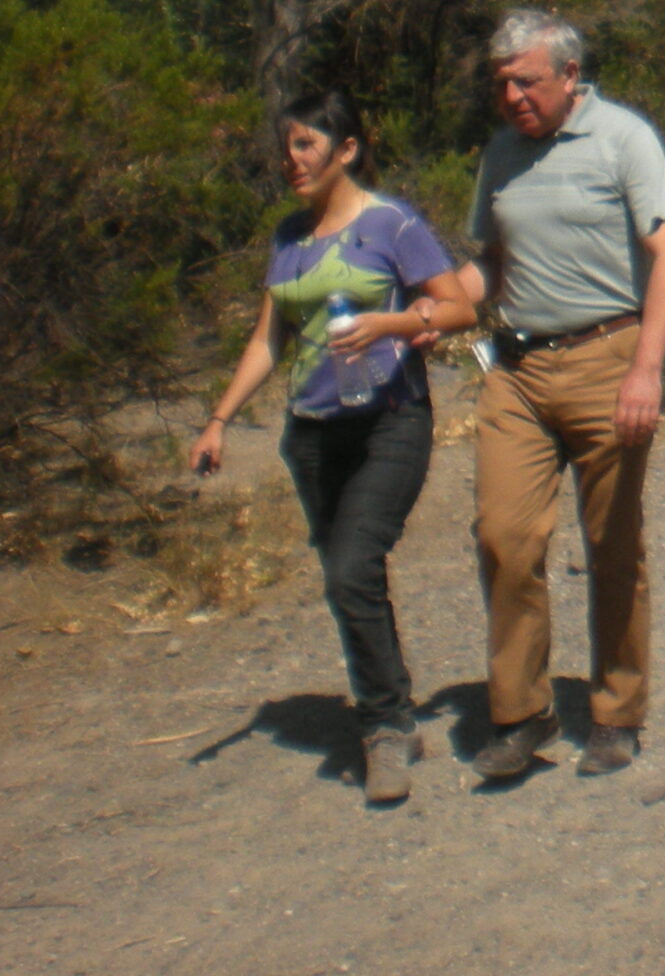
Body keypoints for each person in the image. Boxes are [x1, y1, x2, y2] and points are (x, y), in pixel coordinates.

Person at [190, 92, 477, 804]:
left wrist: (389, 324)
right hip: (313, 434)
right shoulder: (289, 237)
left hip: (390, 420)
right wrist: (219, 419)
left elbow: (460, 306)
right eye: (286, 148)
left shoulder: (391, 224)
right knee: (349, 579)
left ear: (347, 150)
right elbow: (269, 338)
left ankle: (384, 728)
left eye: (306, 145)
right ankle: (393, 708)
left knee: (352, 566)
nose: (292, 160)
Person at [460, 8, 665, 781]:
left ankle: (617, 714)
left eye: (526, 82)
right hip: (519, 371)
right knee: (505, 536)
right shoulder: (501, 152)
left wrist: (646, 369)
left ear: (569, 74)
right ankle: (522, 713)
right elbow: (492, 262)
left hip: (608, 358)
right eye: (502, 84)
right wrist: (432, 307)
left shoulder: (624, 138)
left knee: (612, 544)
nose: (513, 97)